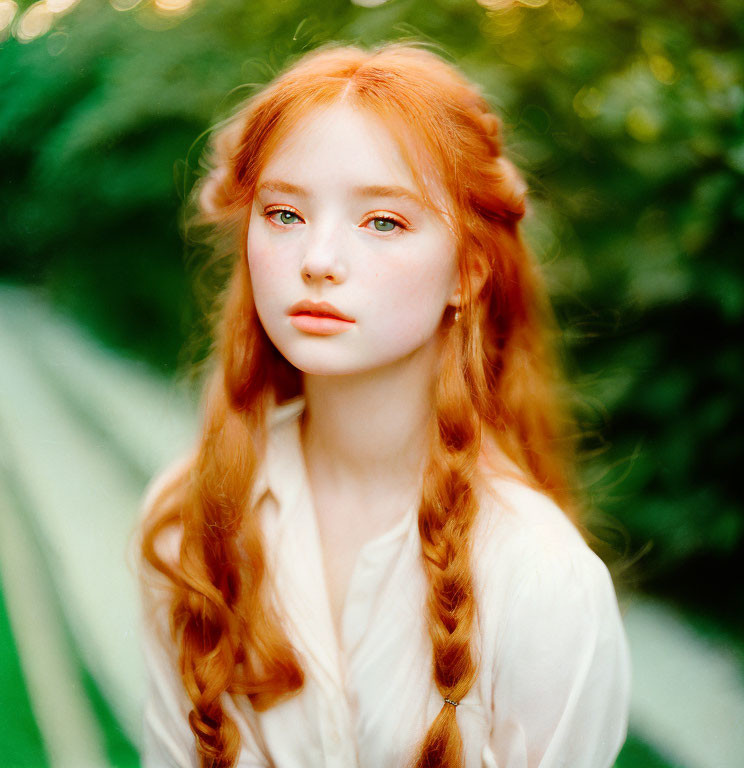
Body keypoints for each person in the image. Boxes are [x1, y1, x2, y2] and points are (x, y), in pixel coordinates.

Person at [133, 41, 631, 768]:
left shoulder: (542, 581)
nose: (318, 258)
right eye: (283, 213)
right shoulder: (186, 521)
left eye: (383, 222)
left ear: (468, 270)